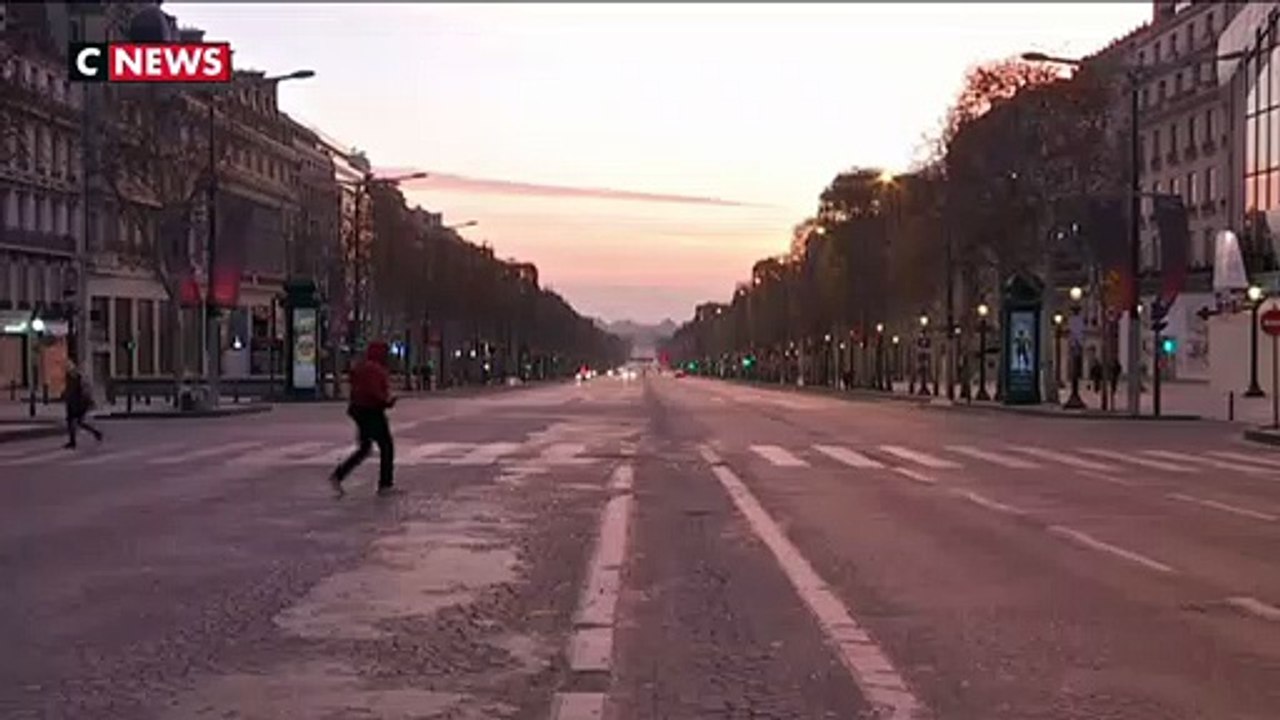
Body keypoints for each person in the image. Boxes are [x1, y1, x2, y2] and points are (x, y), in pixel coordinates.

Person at [329, 340, 398, 498]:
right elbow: (373, 391)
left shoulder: (362, 367)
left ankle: (339, 475)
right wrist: (386, 402)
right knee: (386, 446)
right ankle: (385, 484)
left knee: (365, 448)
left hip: (359, 410)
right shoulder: (375, 370)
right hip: (372, 410)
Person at [63, 362, 103, 449]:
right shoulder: (68, 378)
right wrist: (65, 395)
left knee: (79, 422)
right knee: (71, 423)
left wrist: (88, 402)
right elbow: (69, 389)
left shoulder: (79, 378)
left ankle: (96, 432)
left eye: (69, 369)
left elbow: (85, 391)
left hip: (79, 404)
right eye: (67, 369)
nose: (68, 371)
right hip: (71, 403)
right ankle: (72, 442)